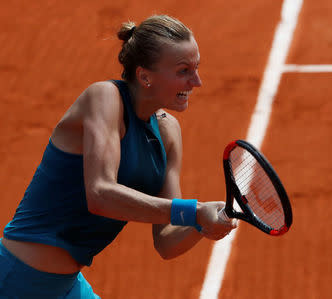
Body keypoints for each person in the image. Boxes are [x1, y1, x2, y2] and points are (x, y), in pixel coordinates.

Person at [0, 15, 237, 298]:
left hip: (66, 287)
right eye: (183, 71)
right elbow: (100, 194)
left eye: (196, 68)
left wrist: (204, 224)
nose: (196, 81)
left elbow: (166, 242)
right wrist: (194, 211)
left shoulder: (169, 132)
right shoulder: (104, 98)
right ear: (144, 76)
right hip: (17, 279)